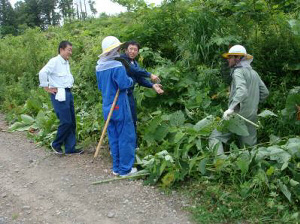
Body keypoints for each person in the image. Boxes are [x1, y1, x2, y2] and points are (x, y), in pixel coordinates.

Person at [209, 45, 269, 155]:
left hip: (237, 115)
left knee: (215, 137)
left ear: (237, 58)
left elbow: (242, 91)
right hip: (252, 115)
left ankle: (221, 165)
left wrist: (231, 109)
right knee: (249, 148)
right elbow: (265, 92)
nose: (228, 59)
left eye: (230, 57)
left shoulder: (238, 72)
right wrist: (253, 103)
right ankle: (250, 170)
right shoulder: (254, 73)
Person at [95, 36, 137, 177]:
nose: (119, 50)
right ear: (114, 50)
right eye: (117, 48)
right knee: (125, 136)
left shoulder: (99, 67)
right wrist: (131, 80)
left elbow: (101, 87)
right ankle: (125, 169)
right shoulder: (117, 66)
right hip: (119, 104)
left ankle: (116, 167)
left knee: (113, 136)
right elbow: (124, 84)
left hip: (107, 105)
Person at [39, 41, 83, 155]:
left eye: (71, 50)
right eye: (69, 49)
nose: (70, 52)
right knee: (66, 121)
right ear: (61, 49)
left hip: (68, 93)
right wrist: (46, 87)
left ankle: (70, 148)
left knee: (72, 121)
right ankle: (56, 144)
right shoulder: (55, 61)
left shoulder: (66, 62)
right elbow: (42, 72)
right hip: (59, 94)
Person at [120, 41, 164, 144]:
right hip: (121, 95)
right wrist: (150, 75)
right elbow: (133, 71)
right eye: (131, 49)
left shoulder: (134, 63)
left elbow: (139, 78)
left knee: (133, 118)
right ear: (126, 49)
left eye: (135, 50)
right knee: (123, 120)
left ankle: (133, 144)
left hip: (129, 94)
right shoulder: (122, 60)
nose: (133, 51)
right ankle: (121, 145)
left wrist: (153, 85)